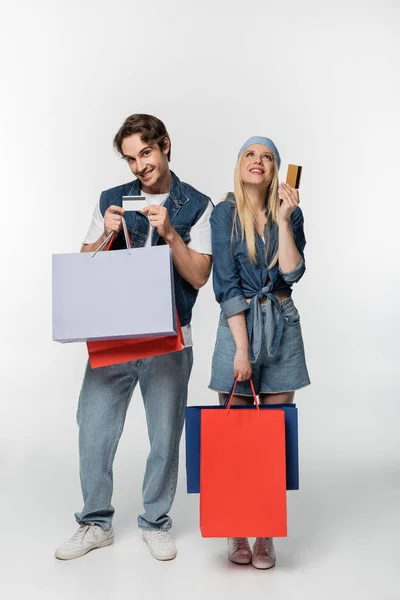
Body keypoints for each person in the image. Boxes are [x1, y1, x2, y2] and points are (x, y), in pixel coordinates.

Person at [55, 114, 213, 561]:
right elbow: (83, 266)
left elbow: (200, 275)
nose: (139, 166)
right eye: (130, 159)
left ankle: (156, 522)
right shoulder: (110, 200)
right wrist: (105, 231)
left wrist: (167, 232)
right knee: (94, 430)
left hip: (170, 339)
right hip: (115, 336)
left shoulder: (197, 205)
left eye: (145, 153)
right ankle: (95, 522)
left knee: (165, 436)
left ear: (164, 145)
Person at [209, 136, 310, 569]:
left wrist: (286, 220)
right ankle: (236, 531)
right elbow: (226, 286)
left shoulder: (292, 212)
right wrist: (242, 350)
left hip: (282, 325)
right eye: (250, 154)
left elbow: (293, 272)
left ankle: (265, 534)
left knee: (270, 439)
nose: (259, 161)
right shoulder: (225, 213)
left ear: (275, 170)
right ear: (239, 164)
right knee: (236, 439)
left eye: (268, 156)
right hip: (238, 328)